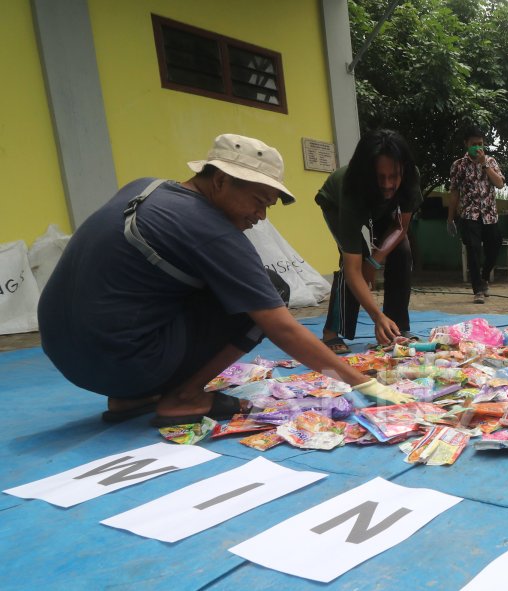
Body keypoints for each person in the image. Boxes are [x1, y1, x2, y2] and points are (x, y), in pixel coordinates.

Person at [37, 133, 408, 426]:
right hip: (119, 360)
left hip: (64, 351)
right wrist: (360, 382)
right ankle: (183, 398)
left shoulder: (146, 187)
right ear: (218, 182)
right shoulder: (210, 229)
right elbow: (282, 328)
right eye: (258, 201)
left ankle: (132, 397)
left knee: (211, 287)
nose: (261, 216)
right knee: (267, 291)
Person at [317, 129, 422, 352]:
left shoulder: (411, 177)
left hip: (381, 209)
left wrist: (374, 263)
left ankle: (396, 328)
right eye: (380, 177)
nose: (387, 184)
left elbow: (400, 227)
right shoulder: (351, 187)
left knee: (402, 250)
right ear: (368, 173)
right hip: (336, 205)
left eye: (394, 176)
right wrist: (376, 316)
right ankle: (330, 332)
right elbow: (354, 269)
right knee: (354, 261)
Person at [446, 126, 505, 303]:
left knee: (494, 246)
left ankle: (484, 277)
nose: (477, 147)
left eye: (480, 144)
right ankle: (478, 290)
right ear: (466, 144)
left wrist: (484, 164)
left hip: (489, 215)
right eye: (473, 144)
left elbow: (500, 184)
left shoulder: (491, 162)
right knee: (473, 250)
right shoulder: (458, 165)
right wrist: (450, 219)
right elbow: (454, 192)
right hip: (469, 215)